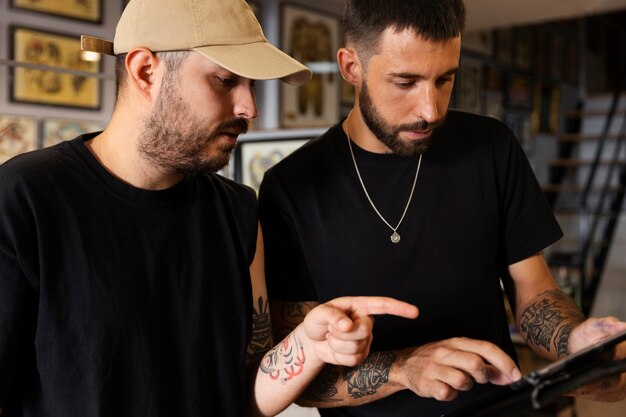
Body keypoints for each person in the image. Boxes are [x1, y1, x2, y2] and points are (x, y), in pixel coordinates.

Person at [0, 0, 421, 416]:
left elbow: (244, 390)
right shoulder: (25, 199)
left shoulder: (236, 211)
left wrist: (308, 346)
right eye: (224, 81)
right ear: (145, 71)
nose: (249, 108)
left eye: (251, 85)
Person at [258, 1, 626, 416]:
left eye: (445, 79)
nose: (430, 110)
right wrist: (403, 369)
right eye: (405, 82)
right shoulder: (291, 188)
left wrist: (575, 340)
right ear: (350, 67)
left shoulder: (491, 147)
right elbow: (297, 376)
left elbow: (535, 292)